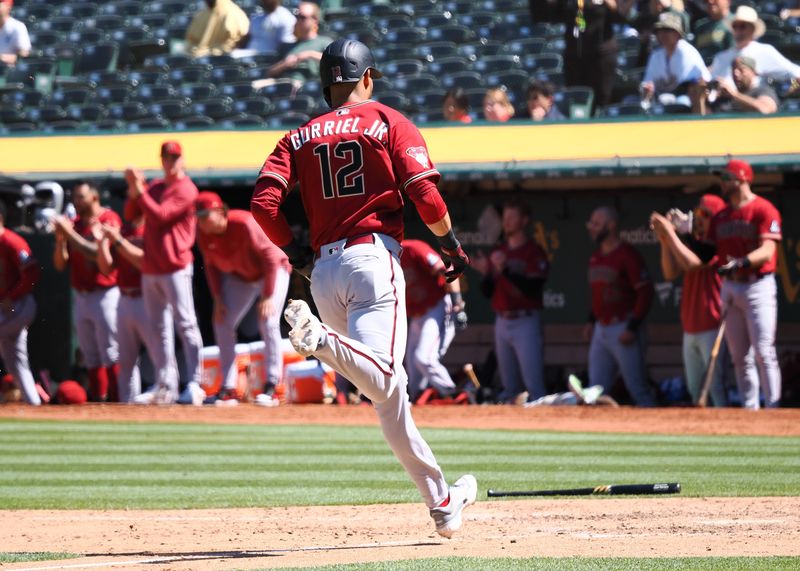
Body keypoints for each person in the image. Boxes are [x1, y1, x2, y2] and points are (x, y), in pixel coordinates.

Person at [251, 38, 477, 538]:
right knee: (384, 378)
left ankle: (442, 500)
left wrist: (298, 254)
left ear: (326, 85)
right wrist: (453, 247)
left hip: (324, 275)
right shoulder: (387, 120)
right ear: (367, 78)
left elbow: (263, 207)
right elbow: (424, 192)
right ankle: (322, 342)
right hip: (372, 258)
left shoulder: (298, 135)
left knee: (387, 395)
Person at [667, 160, 782, 408]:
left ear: (742, 179)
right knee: (740, 357)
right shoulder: (722, 217)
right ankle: (750, 408)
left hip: (757, 284)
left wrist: (742, 262)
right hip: (731, 286)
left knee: (763, 351)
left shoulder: (764, 209)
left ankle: (773, 408)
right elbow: (706, 253)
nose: (723, 182)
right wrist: (683, 234)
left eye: (727, 177)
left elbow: (769, 249)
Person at [124, 141, 205, 406]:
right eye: (166, 157)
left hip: (176, 265)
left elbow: (160, 215)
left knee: (186, 324)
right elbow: (131, 215)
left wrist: (140, 191)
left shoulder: (187, 188)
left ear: (182, 159)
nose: (170, 162)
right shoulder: (156, 186)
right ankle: (164, 385)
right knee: (158, 328)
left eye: (175, 157)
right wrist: (133, 190)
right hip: (152, 267)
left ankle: (195, 383)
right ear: (161, 160)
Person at [196, 191, 290, 402]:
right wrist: (218, 299)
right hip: (242, 276)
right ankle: (229, 387)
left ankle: (273, 385)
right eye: (198, 217)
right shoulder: (203, 234)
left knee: (267, 321)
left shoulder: (244, 223)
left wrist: (267, 296)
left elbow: (271, 258)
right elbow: (210, 267)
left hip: (274, 270)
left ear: (220, 212)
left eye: (205, 215)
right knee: (221, 321)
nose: (201, 221)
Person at [649, 195, 731, 405]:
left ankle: (729, 434)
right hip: (690, 327)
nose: (699, 218)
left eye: (706, 214)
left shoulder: (719, 244)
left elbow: (693, 263)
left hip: (712, 324)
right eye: (698, 212)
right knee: (695, 391)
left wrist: (672, 233)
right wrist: (665, 239)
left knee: (716, 389)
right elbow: (670, 272)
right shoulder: (693, 242)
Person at [471, 200, 549, 404]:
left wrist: (505, 270)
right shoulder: (500, 251)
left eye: (512, 217)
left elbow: (533, 289)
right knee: (509, 388)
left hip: (526, 320)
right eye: (504, 217)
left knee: (534, 387)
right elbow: (488, 292)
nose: (506, 222)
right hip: (502, 321)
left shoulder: (533, 251)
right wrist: (487, 274)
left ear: (524, 221)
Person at [52, 182, 121, 402]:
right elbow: (60, 264)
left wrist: (69, 234)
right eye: (75, 197)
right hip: (81, 294)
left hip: (106, 292)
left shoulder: (108, 219)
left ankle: (118, 400)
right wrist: (61, 241)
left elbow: (94, 253)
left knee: (111, 352)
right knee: (90, 355)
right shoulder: (75, 224)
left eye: (81, 196)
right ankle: (99, 400)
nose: (76, 201)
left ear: (94, 197)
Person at [584, 206, 656, 406]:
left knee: (637, 388)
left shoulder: (627, 254)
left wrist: (632, 327)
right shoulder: (595, 256)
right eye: (591, 223)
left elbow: (645, 293)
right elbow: (598, 294)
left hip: (623, 326)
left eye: (597, 224)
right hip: (601, 329)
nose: (592, 228)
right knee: (594, 390)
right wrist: (591, 321)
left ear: (611, 225)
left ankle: (657, 429)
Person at [96, 212, 170, 404]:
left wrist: (117, 240)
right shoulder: (124, 230)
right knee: (126, 360)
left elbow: (144, 262)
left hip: (149, 298)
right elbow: (106, 269)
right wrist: (103, 242)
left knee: (159, 356)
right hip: (124, 298)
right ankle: (127, 405)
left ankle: (167, 400)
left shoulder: (153, 229)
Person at [400, 238, 465, 404]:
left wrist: (457, 304)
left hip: (438, 307)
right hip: (416, 316)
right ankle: (423, 408)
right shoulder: (380, 258)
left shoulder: (413, 248)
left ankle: (455, 395)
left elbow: (448, 270)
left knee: (424, 358)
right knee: (412, 374)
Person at [0, 201, 41, 405]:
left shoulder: (11, 241)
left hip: (21, 305)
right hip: (5, 308)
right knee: (14, 360)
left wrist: (13, 295)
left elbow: (32, 273)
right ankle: (33, 402)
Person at [709, 6, 800, 83]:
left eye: (742, 26)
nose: (738, 30)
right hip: (725, 102)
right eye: (735, 26)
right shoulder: (721, 57)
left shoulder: (765, 51)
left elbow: (795, 72)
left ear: (752, 29)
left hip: (755, 99)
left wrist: (792, 88)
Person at [640, 12, 710, 108]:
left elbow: (689, 86)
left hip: (689, 99)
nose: (663, 33)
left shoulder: (687, 52)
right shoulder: (655, 55)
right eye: (660, 30)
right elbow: (647, 83)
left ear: (678, 33)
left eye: (668, 29)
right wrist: (647, 89)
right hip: (663, 100)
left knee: (682, 101)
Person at [266, 2, 332, 83]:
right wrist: (285, 64)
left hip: (307, 86)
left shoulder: (323, 42)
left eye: (303, 17)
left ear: (315, 20)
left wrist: (310, 54)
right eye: (297, 16)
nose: (298, 20)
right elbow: (270, 73)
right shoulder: (287, 45)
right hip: (283, 84)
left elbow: (335, 63)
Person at [185, 0, 250, 58]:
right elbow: (191, 42)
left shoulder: (235, 14)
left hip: (225, 61)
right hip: (199, 61)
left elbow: (237, 44)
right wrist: (196, 51)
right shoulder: (201, 15)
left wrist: (212, 52)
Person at [0, 0, 30, 67]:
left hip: (10, 70)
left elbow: (25, 53)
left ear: (8, 6)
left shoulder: (18, 26)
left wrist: (3, 58)